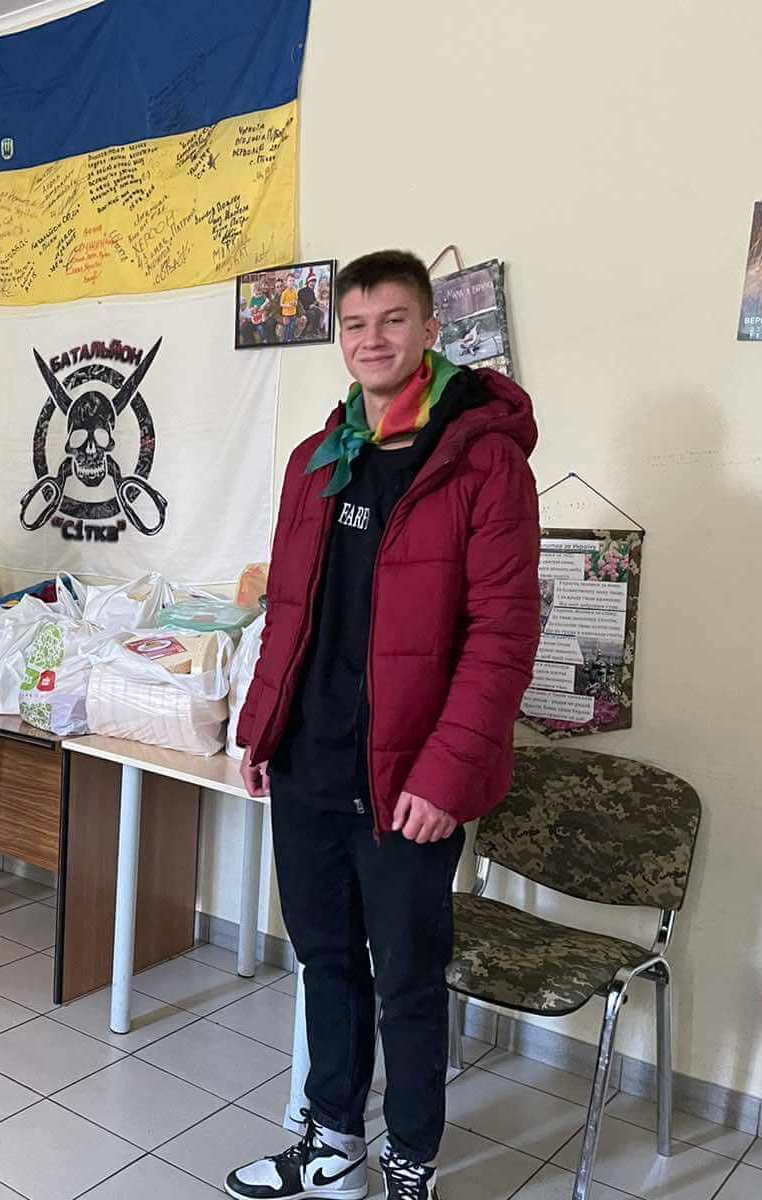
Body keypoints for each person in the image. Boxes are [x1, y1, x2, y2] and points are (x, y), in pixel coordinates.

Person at [226, 250, 540, 1200]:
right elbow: (288, 609)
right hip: (310, 759)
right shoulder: (318, 459)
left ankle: (411, 1159)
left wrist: (446, 776)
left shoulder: (482, 462)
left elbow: (503, 635)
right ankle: (333, 1145)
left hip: (409, 779)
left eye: (393, 320)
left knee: (406, 977)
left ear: (431, 330)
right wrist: (261, 727)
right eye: (356, 324)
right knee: (324, 960)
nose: (373, 340)